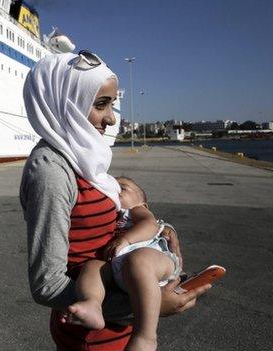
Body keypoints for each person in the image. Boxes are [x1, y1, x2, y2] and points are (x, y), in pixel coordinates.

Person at [20, 51, 211, 350]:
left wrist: (160, 230)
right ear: (64, 99)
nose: (111, 118)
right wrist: (149, 307)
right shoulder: (52, 171)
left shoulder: (82, 158)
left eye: (111, 105)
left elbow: (105, 231)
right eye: (100, 104)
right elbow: (47, 285)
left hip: (118, 332)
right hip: (91, 338)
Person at [62, 176, 181, 350]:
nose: (116, 191)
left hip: (153, 260)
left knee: (138, 261)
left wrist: (126, 239)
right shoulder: (113, 214)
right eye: (112, 188)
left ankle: (145, 337)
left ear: (143, 203)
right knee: (93, 267)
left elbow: (150, 225)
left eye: (123, 188)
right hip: (123, 268)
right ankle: (92, 303)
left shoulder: (136, 210)